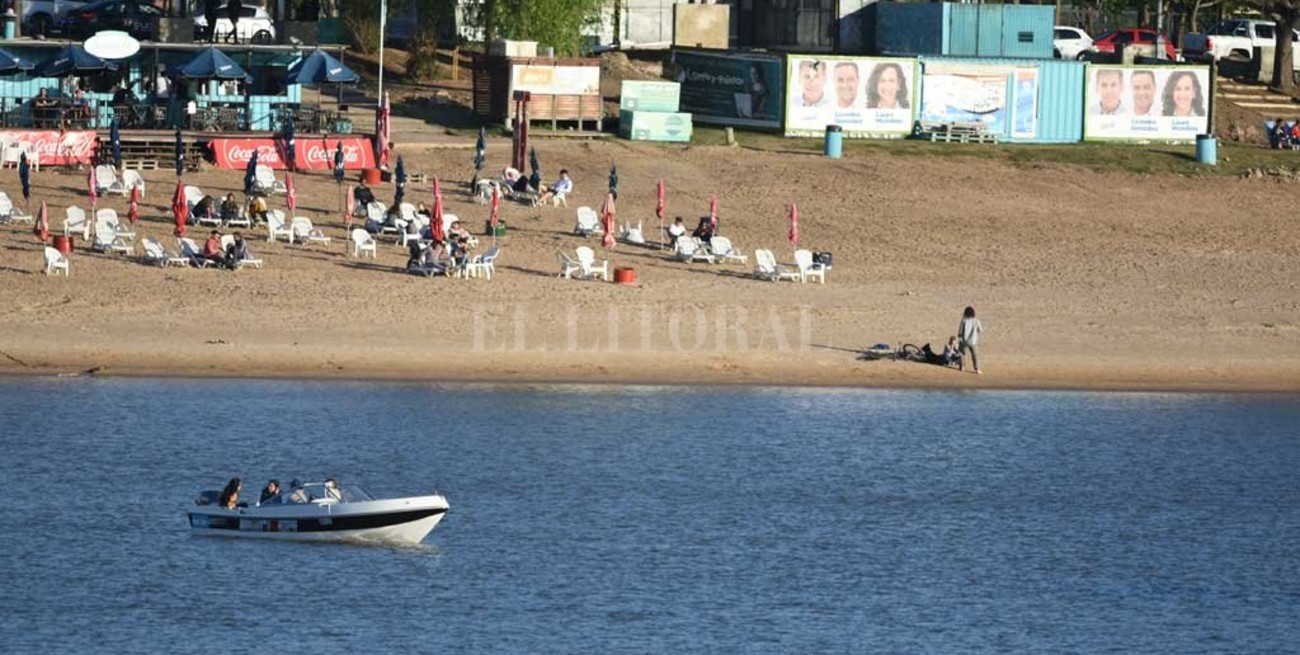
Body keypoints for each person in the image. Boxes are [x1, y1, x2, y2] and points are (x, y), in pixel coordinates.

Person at [957, 306, 983, 374]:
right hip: (973, 340)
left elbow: (960, 331)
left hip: (964, 340)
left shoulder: (963, 320)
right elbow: (980, 330)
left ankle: (962, 366)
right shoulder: (976, 321)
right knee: (975, 355)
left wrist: (960, 337)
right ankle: (977, 368)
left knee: (962, 353)